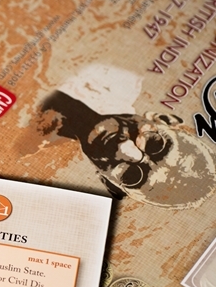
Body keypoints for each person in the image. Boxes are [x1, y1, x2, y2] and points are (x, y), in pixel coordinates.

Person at [39, 89, 216, 208]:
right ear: (161, 119)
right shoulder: (109, 73)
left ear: (109, 183)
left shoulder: (37, 146)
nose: (124, 148)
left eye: (131, 175)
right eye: (154, 142)